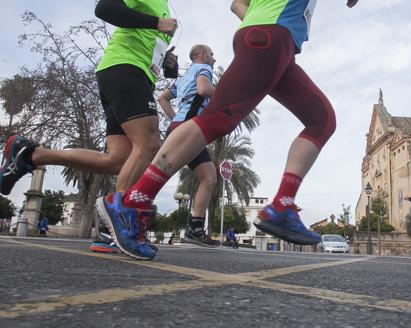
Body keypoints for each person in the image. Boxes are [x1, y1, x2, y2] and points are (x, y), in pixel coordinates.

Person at [97, 0, 359, 260]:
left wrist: (257, 27)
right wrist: (262, 31)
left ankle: (283, 205)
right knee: (218, 119)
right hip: (271, 36)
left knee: (321, 120)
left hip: (274, 41)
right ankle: (133, 201)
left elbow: (237, 4)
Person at [0, 0, 178, 254]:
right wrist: (156, 23)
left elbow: (148, 40)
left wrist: (168, 63)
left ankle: (31, 154)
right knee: (149, 145)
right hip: (125, 69)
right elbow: (105, 8)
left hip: (135, 74)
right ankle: (122, 223)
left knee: (118, 159)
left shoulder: (164, 5)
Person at [158, 44, 220, 247]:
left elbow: (163, 98)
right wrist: (223, 94)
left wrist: (175, 119)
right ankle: (123, 210)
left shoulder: (184, 77)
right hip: (189, 128)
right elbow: (204, 89)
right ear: (202, 55)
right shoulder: (204, 69)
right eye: (211, 54)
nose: (213, 58)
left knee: (209, 176)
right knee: (158, 173)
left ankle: (195, 229)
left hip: (181, 126)